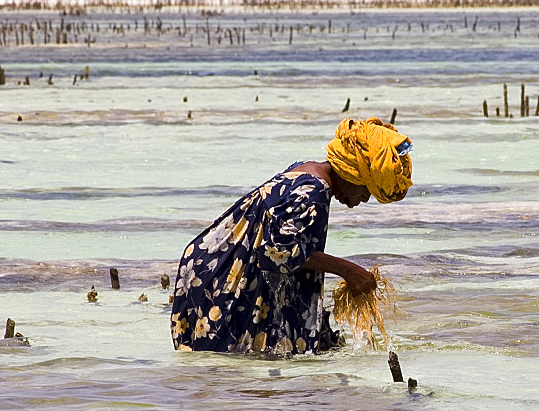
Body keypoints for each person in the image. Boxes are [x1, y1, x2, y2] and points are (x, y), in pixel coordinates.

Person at [170, 117, 413, 354]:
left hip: (212, 264)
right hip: (225, 277)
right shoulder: (313, 191)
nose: (364, 198)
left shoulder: (308, 172)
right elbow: (277, 252)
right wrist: (348, 270)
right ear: (353, 173)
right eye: (366, 189)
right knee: (227, 371)